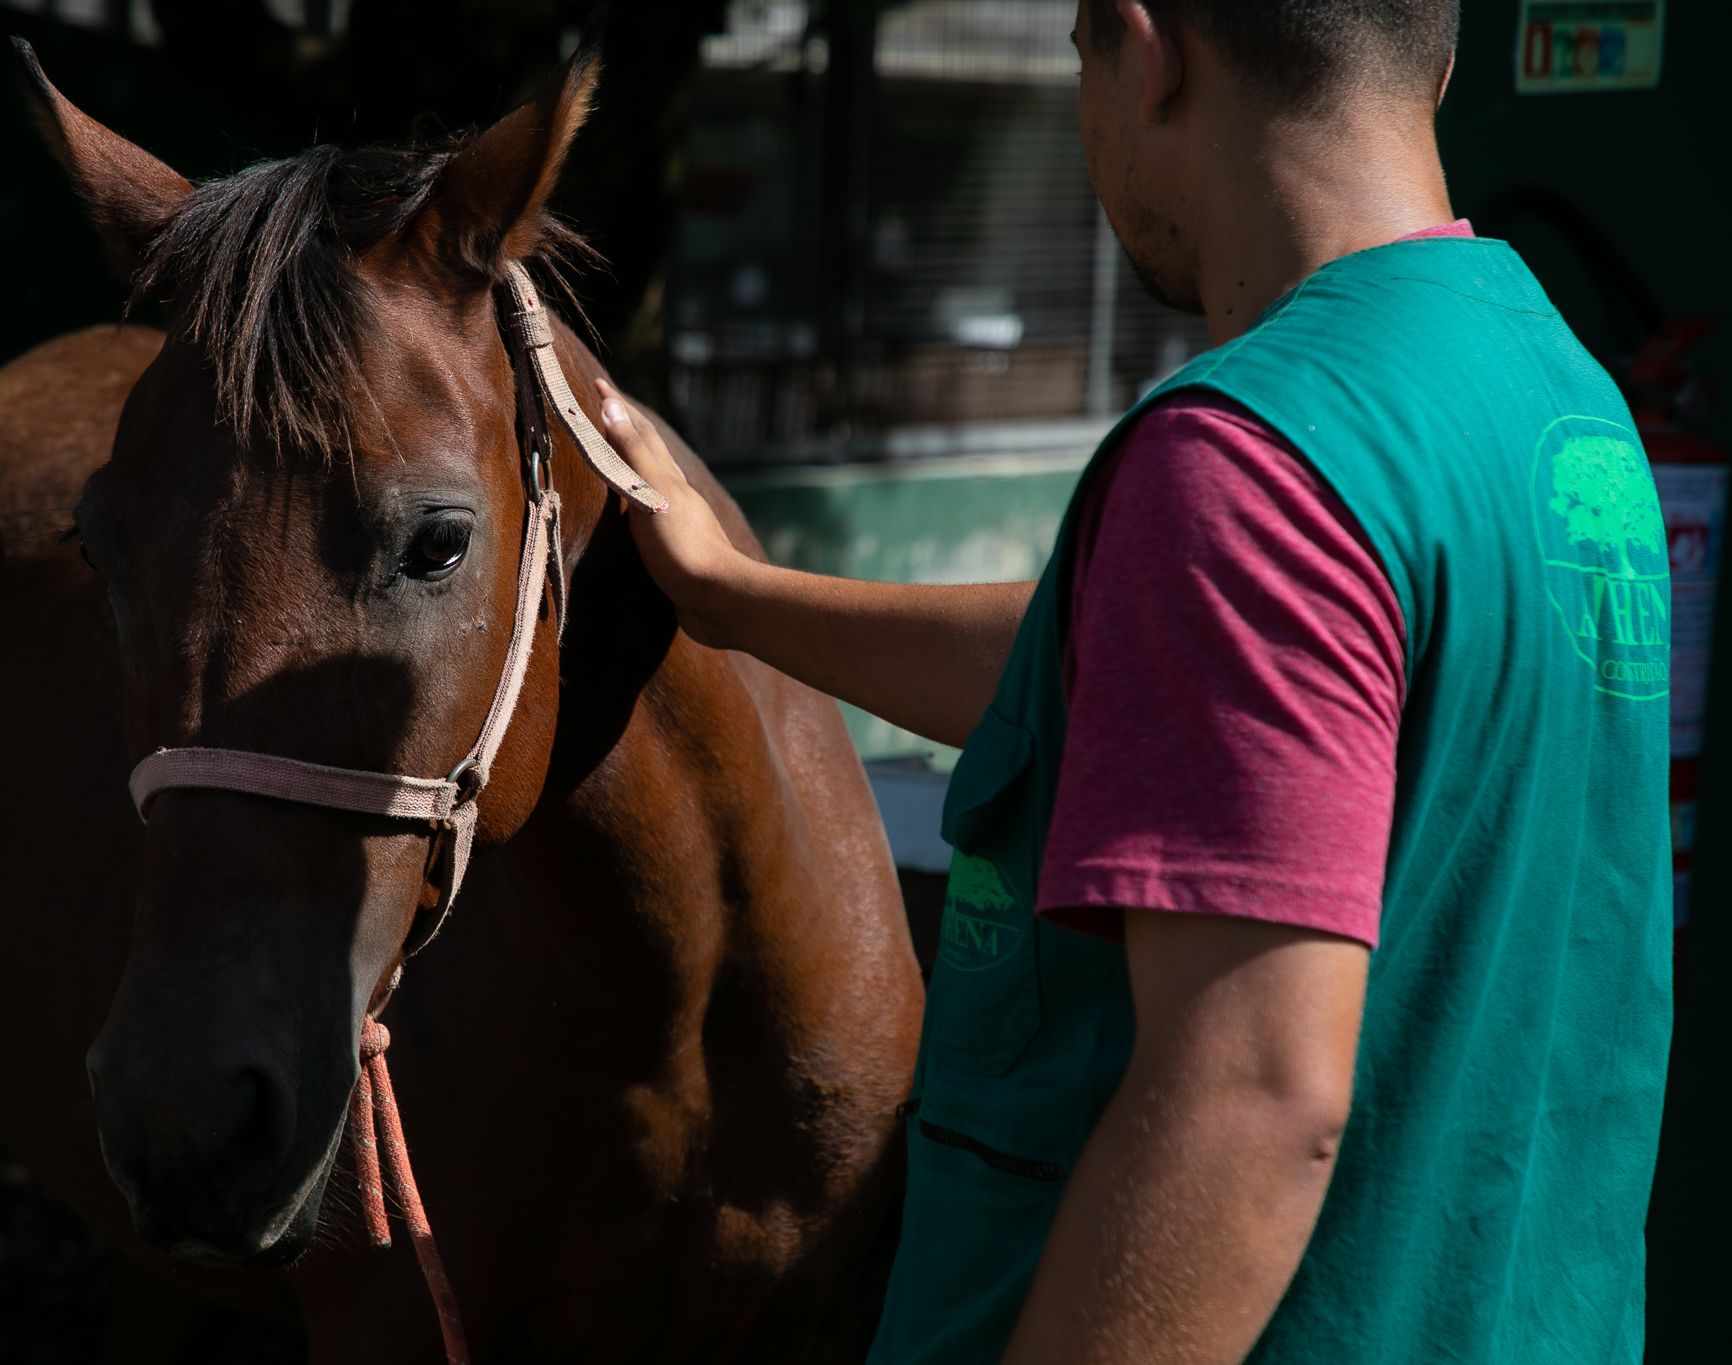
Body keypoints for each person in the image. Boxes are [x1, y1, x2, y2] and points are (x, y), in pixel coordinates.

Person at [590, 1, 1673, 1361]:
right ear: (1438, 61)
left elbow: (1253, 1103)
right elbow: (1171, 683)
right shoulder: (1551, 397)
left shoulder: (1251, 468)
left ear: (1147, 48)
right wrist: (740, 600)